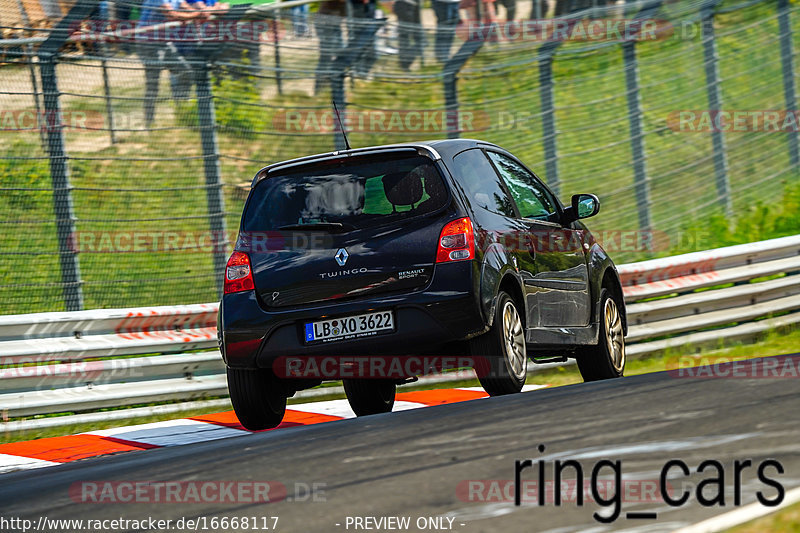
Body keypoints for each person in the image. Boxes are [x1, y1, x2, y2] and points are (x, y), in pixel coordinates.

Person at [137, 0, 211, 128]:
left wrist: (200, 12)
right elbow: (172, 15)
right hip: (147, 43)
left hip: (164, 42)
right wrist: (197, 15)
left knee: (186, 73)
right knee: (153, 85)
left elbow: (185, 7)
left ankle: (182, 112)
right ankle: (149, 123)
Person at [314, 0, 346, 94]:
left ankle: (332, 84)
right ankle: (319, 88)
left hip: (335, 22)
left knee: (340, 54)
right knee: (326, 57)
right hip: (325, 21)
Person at [393, 0, 422, 70]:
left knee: (420, 39)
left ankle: (405, 62)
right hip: (403, 4)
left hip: (415, 5)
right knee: (405, 37)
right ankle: (404, 64)